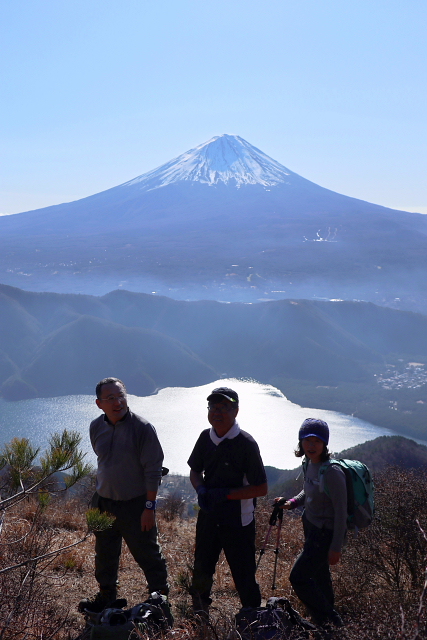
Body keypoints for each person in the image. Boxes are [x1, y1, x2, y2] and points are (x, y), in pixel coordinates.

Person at [79, 377, 168, 613]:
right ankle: (107, 596)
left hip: (135, 504)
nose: (117, 402)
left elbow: (153, 471)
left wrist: (149, 508)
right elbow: (103, 461)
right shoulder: (96, 426)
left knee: (147, 554)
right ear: (99, 404)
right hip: (103, 502)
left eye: (121, 396)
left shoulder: (143, 428)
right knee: (105, 554)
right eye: (110, 398)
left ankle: (160, 599)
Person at [187, 386, 268, 618]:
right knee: (202, 566)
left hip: (238, 520)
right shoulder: (205, 437)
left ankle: (253, 618)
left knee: (243, 573)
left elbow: (261, 488)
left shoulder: (246, 444)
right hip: (209, 515)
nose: (217, 412)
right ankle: (199, 615)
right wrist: (201, 488)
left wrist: (226, 494)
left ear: (236, 411)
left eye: (224, 407)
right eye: (213, 407)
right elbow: (195, 471)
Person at [275, 418, 347, 628]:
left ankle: (332, 619)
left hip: (325, 534)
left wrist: (336, 548)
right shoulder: (309, 463)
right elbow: (308, 491)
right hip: (312, 529)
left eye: (317, 440)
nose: (311, 445)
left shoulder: (332, 472)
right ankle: (326, 625)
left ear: (325, 444)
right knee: (319, 575)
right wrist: (291, 503)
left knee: (298, 577)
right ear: (301, 443)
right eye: (307, 440)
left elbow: (341, 512)